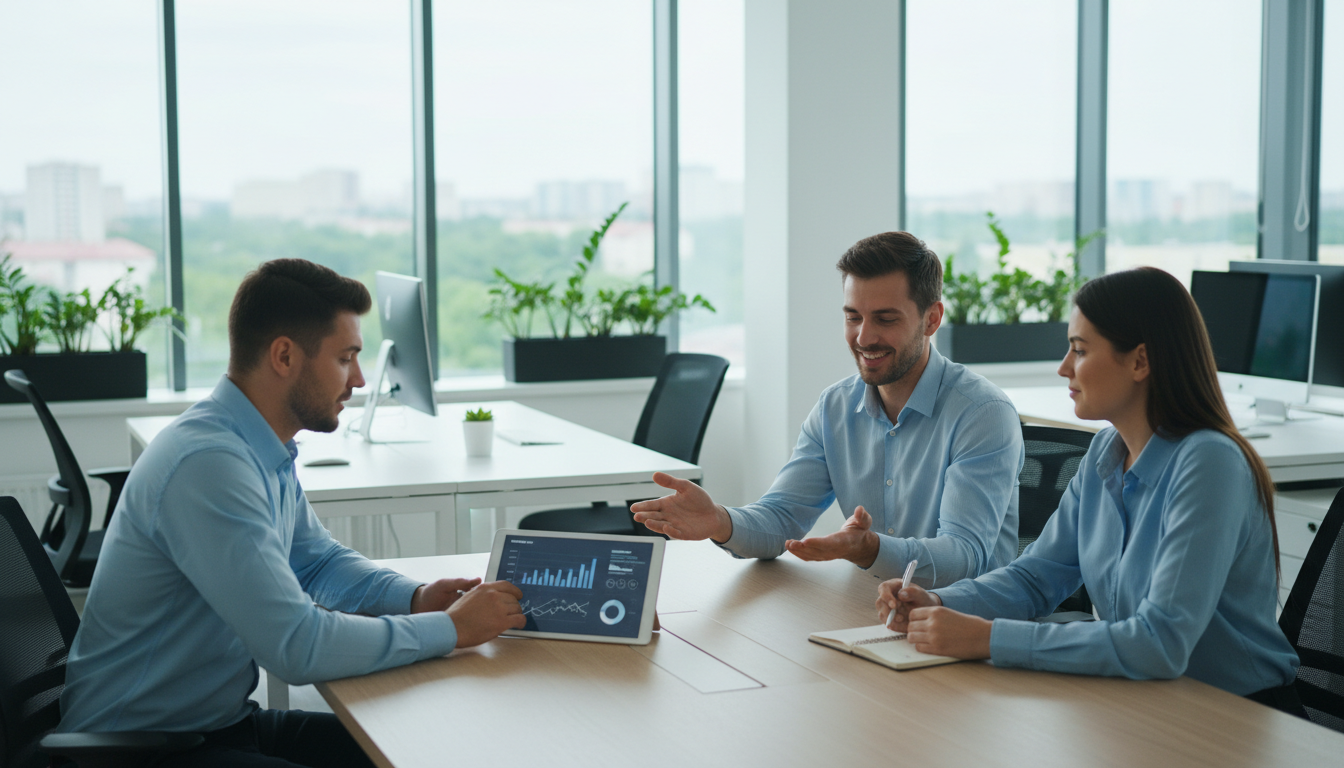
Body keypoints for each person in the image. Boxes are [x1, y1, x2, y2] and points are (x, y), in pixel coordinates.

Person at [58, 259, 527, 766]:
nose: (361, 380)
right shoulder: (209, 465)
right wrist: (451, 630)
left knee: (421, 751)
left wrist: (414, 597)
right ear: (284, 356)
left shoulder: (255, 446)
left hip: (216, 726)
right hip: (135, 749)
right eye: (346, 358)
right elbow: (297, 645)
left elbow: (317, 562)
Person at [877, 267, 1301, 708]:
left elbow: (1160, 642)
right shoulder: (1105, 453)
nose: (1064, 368)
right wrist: (937, 600)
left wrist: (989, 638)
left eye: (1079, 350)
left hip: (1237, 713)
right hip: (1145, 699)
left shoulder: (1209, 463)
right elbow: (1034, 579)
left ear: (1140, 361)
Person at [633, 231, 1023, 586]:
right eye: (853, 317)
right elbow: (781, 518)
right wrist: (720, 521)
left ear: (931, 319)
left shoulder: (982, 414)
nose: (864, 336)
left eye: (885, 319)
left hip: (963, 625)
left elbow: (964, 558)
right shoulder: (835, 408)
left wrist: (869, 549)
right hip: (869, 609)